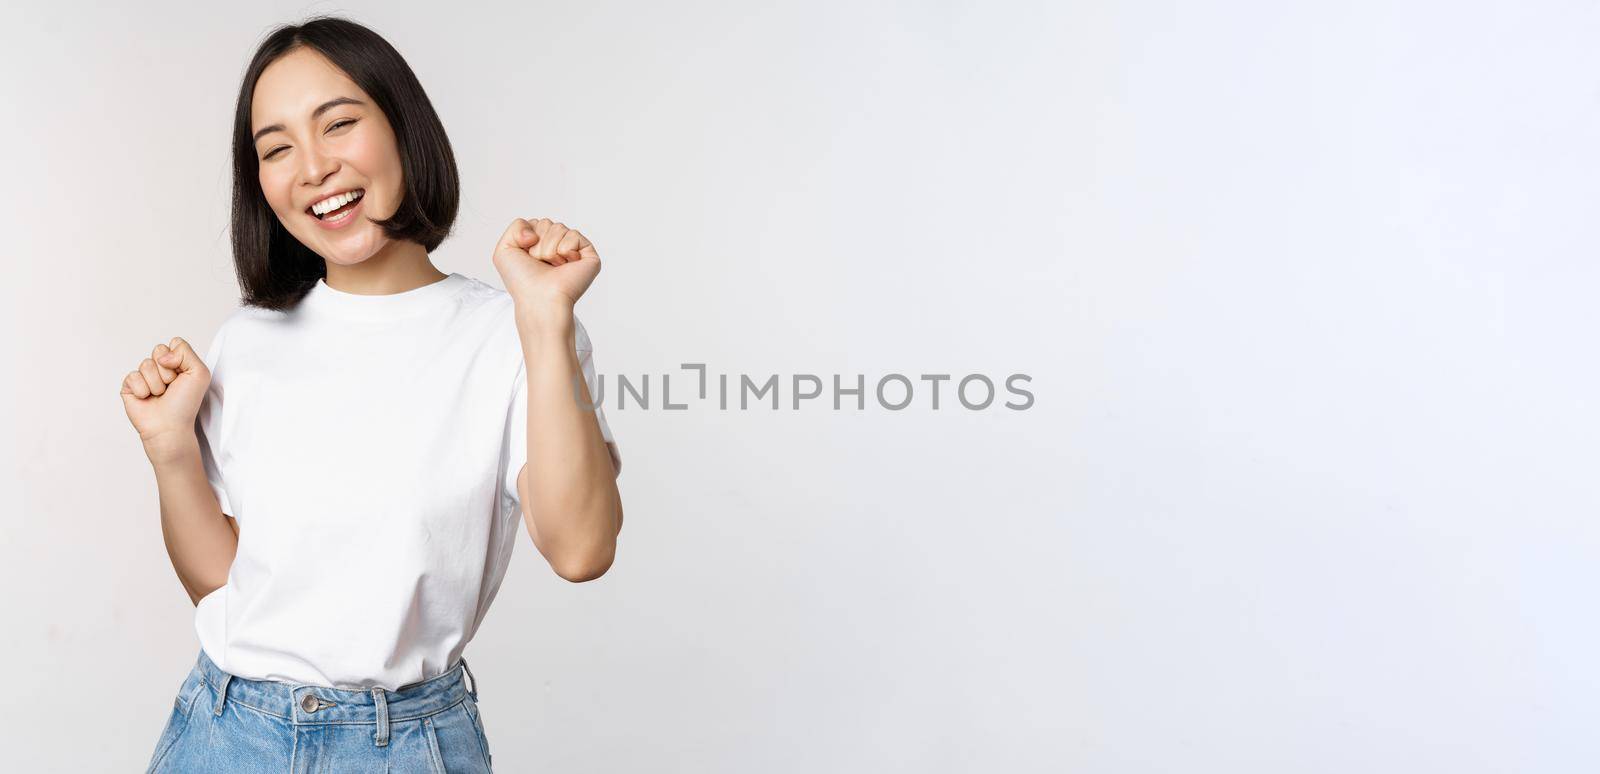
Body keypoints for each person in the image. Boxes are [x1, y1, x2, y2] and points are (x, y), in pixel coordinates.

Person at [119, 15, 624, 773]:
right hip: (223, 734)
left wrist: (547, 321)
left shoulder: (514, 332)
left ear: (402, 129)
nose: (313, 166)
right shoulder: (247, 340)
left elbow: (582, 548)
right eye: (277, 148)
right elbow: (226, 587)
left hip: (406, 747)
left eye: (339, 124)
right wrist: (169, 453)